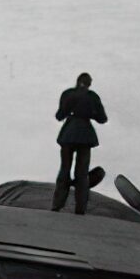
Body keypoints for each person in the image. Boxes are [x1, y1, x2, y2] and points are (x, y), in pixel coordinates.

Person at [52, 73, 108, 213]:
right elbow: (102, 118)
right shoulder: (93, 97)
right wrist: (89, 113)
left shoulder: (68, 94)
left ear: (77, 82)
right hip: (86, 135)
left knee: (65, 169)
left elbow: (59, 115)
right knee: (82, 173)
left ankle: (57, 205)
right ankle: (80, 208)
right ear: (89, 84)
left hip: (68, 134)